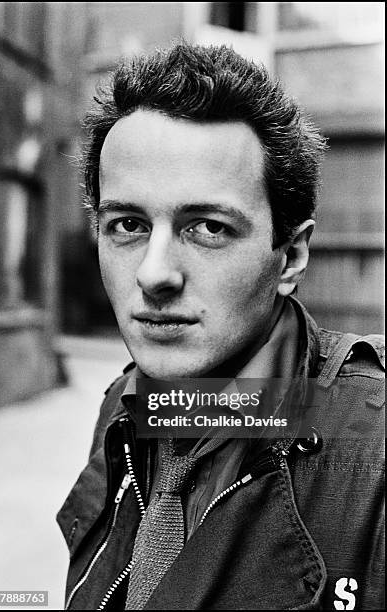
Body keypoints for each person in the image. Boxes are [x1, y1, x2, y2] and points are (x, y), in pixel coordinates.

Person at [57, 42, 384, 610]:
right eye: (128, 224)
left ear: (291, 257)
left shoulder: (374, 455)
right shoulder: (123, 404)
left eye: (207, 228)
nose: (154, 274)